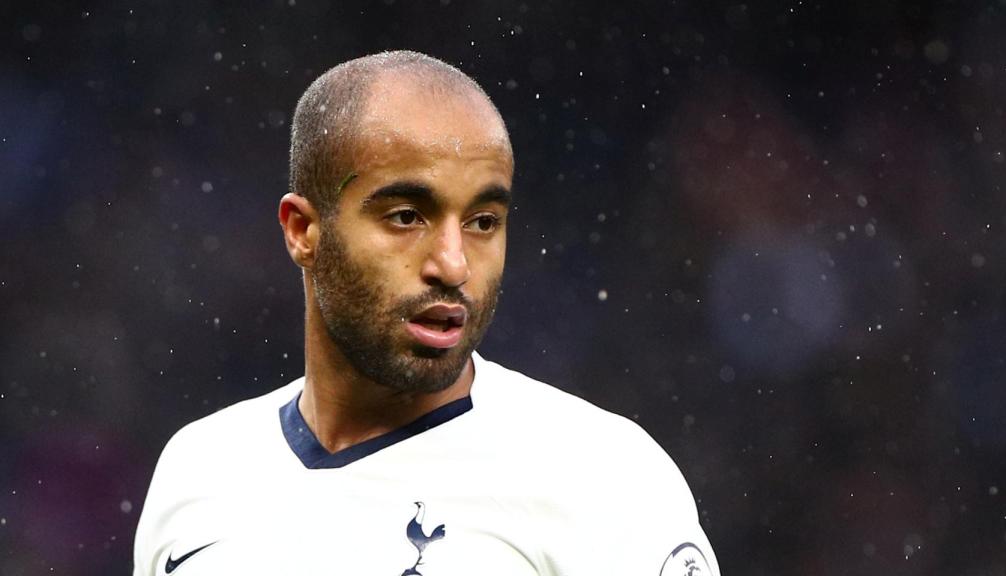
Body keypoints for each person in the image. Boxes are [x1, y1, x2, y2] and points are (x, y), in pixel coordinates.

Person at [133, 50, 720, 576]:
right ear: (303, 230)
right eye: (407, 216)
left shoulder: (603, 477)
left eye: (483, 222)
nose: (453, 264)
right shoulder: (199, 472)